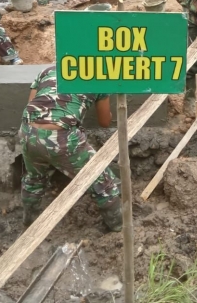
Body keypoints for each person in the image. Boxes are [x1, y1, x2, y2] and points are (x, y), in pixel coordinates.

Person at [19, 65, 122, 231]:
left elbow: (32, 106)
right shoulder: (99, 75)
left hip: (27, 131)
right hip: (61, 136)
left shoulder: (48, 70)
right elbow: (104, 122)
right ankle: (119, 228)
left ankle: (29, 224)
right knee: (104, 184)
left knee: (34, 178)